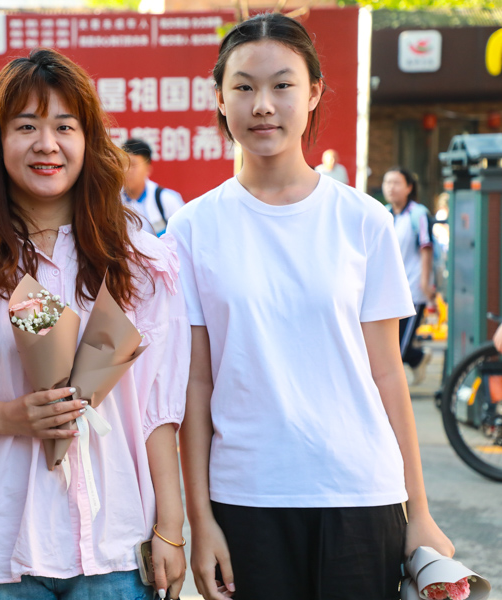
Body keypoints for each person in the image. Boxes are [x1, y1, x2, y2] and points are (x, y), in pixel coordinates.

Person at [168, 14, 453, 600]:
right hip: (246, 497)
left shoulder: (363, 219)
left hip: (361, 496)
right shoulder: (192, 228)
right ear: (219, 97)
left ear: (314, 92)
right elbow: (195, 383)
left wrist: (419, 509)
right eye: (243, 87)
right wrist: (201, 521)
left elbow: (386, 373)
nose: (262, 105)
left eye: (282, 85)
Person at [0, 48, 189, 600]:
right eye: (26, 126)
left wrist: (170, 527)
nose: (46, 144)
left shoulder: (136, 260)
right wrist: (12, 416)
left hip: (113, 544)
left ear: (89, 140)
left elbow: (158, 408)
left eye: (64, 126)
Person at [383, 167, 434, 384]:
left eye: (396, 183)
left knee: (398, 349)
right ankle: (418, 357)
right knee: (389, 344)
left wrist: (425, 283)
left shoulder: (418, 214)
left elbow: (426, 248)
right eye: (387, 183)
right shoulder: (384, 213)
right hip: (388, 290)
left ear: (409, 187)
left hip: (412, 287)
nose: (391, 188)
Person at [121, 138, 185, 236]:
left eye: (133, 165)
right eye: (123, 164)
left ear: (148, 169)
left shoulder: (166, 199)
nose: (127, 170)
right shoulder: (112, 200)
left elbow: (183, 236)